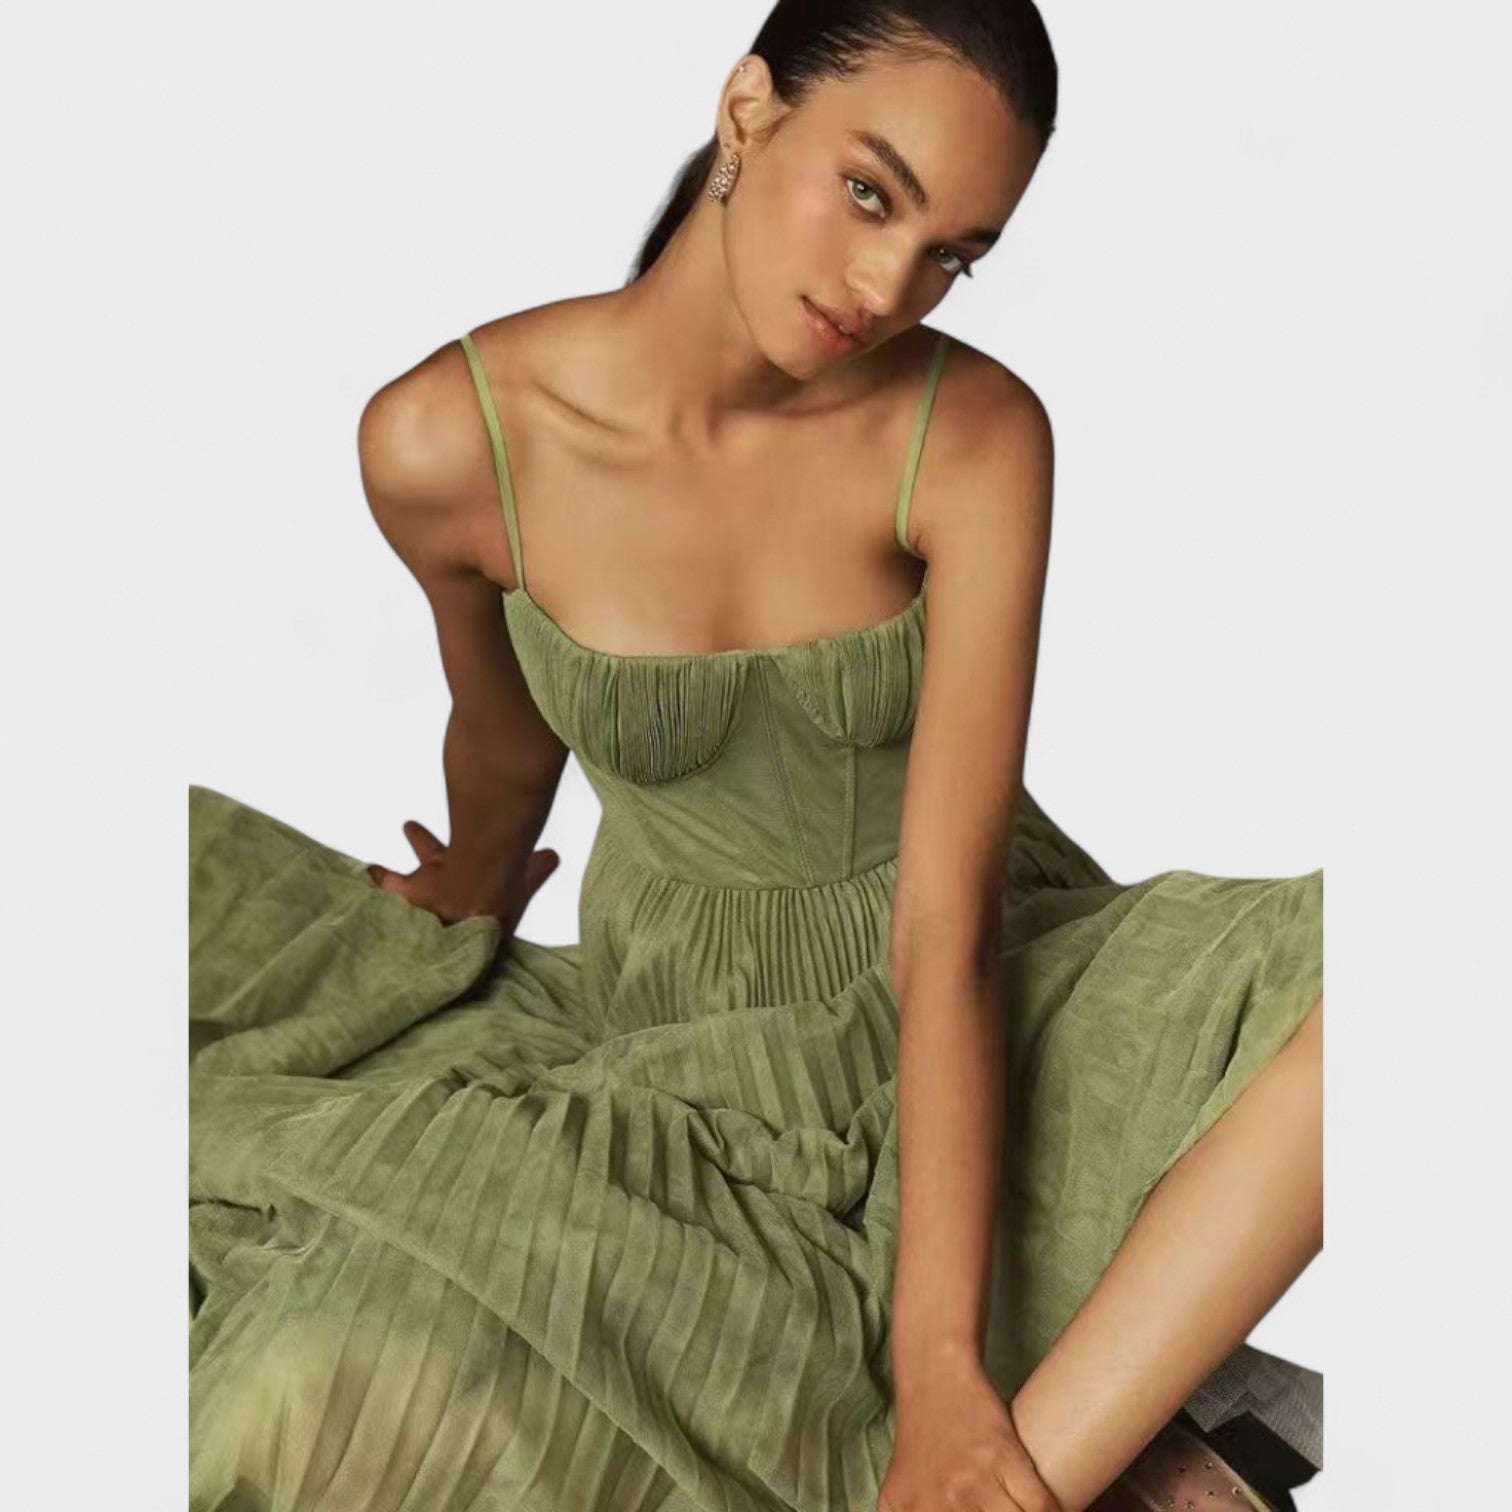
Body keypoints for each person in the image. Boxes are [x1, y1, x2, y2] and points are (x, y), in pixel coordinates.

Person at [187, 4, 1325, 1509]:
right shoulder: (447, 441)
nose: (888, 287)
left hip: (979, 972)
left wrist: (942, 1373)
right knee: (298, 1398)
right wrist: (468, 882)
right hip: (687, 1033)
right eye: (870, 193)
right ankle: (1126, 1450)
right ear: (746, 110)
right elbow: (505, 730)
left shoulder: (973, 434)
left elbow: (944, 930)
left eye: (952, 253)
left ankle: (996, 1477)